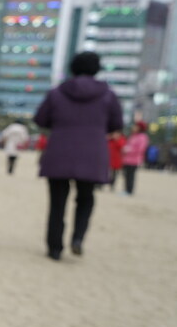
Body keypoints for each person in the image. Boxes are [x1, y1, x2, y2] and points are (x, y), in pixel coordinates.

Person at [34, 51, 123, 260]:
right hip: (92, 153)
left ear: (72, 67)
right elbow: (116, 124)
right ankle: (77, 238)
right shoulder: (108, 95)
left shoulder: (57, 93)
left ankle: (55, 248)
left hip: (59, 151)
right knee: (86, 198)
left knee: (57, 202)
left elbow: (41, 119)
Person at [121, 121, 150, 195]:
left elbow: (141, 149)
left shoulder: (143, 137)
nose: (133, 127)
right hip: (127, 159)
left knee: (131, 176)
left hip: (134, 160)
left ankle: (129, 191)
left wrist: (129, 150)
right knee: (126, 175)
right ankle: (126, 190)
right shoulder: (133, 136)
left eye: (135, 126)